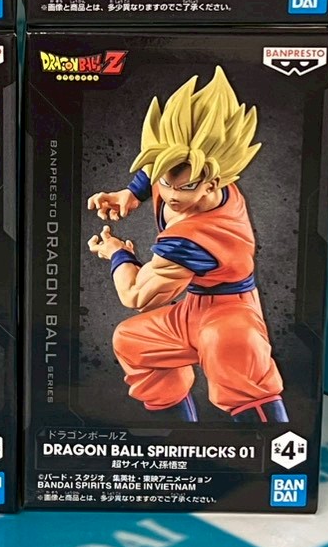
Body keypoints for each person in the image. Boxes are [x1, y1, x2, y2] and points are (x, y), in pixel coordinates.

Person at [87, 66, 287, 424]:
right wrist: (131, 193)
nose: (171, 195)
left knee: (236, 360)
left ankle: (269, 449)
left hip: (231, 317)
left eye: (186, 186)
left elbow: (137, 296)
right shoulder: (192, 172)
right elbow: (164, 166)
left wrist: (117, 254)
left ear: (212, 183)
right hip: (193, 309)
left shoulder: (195, 238)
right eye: (166, 183)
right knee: (133, 342)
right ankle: (178, 437)